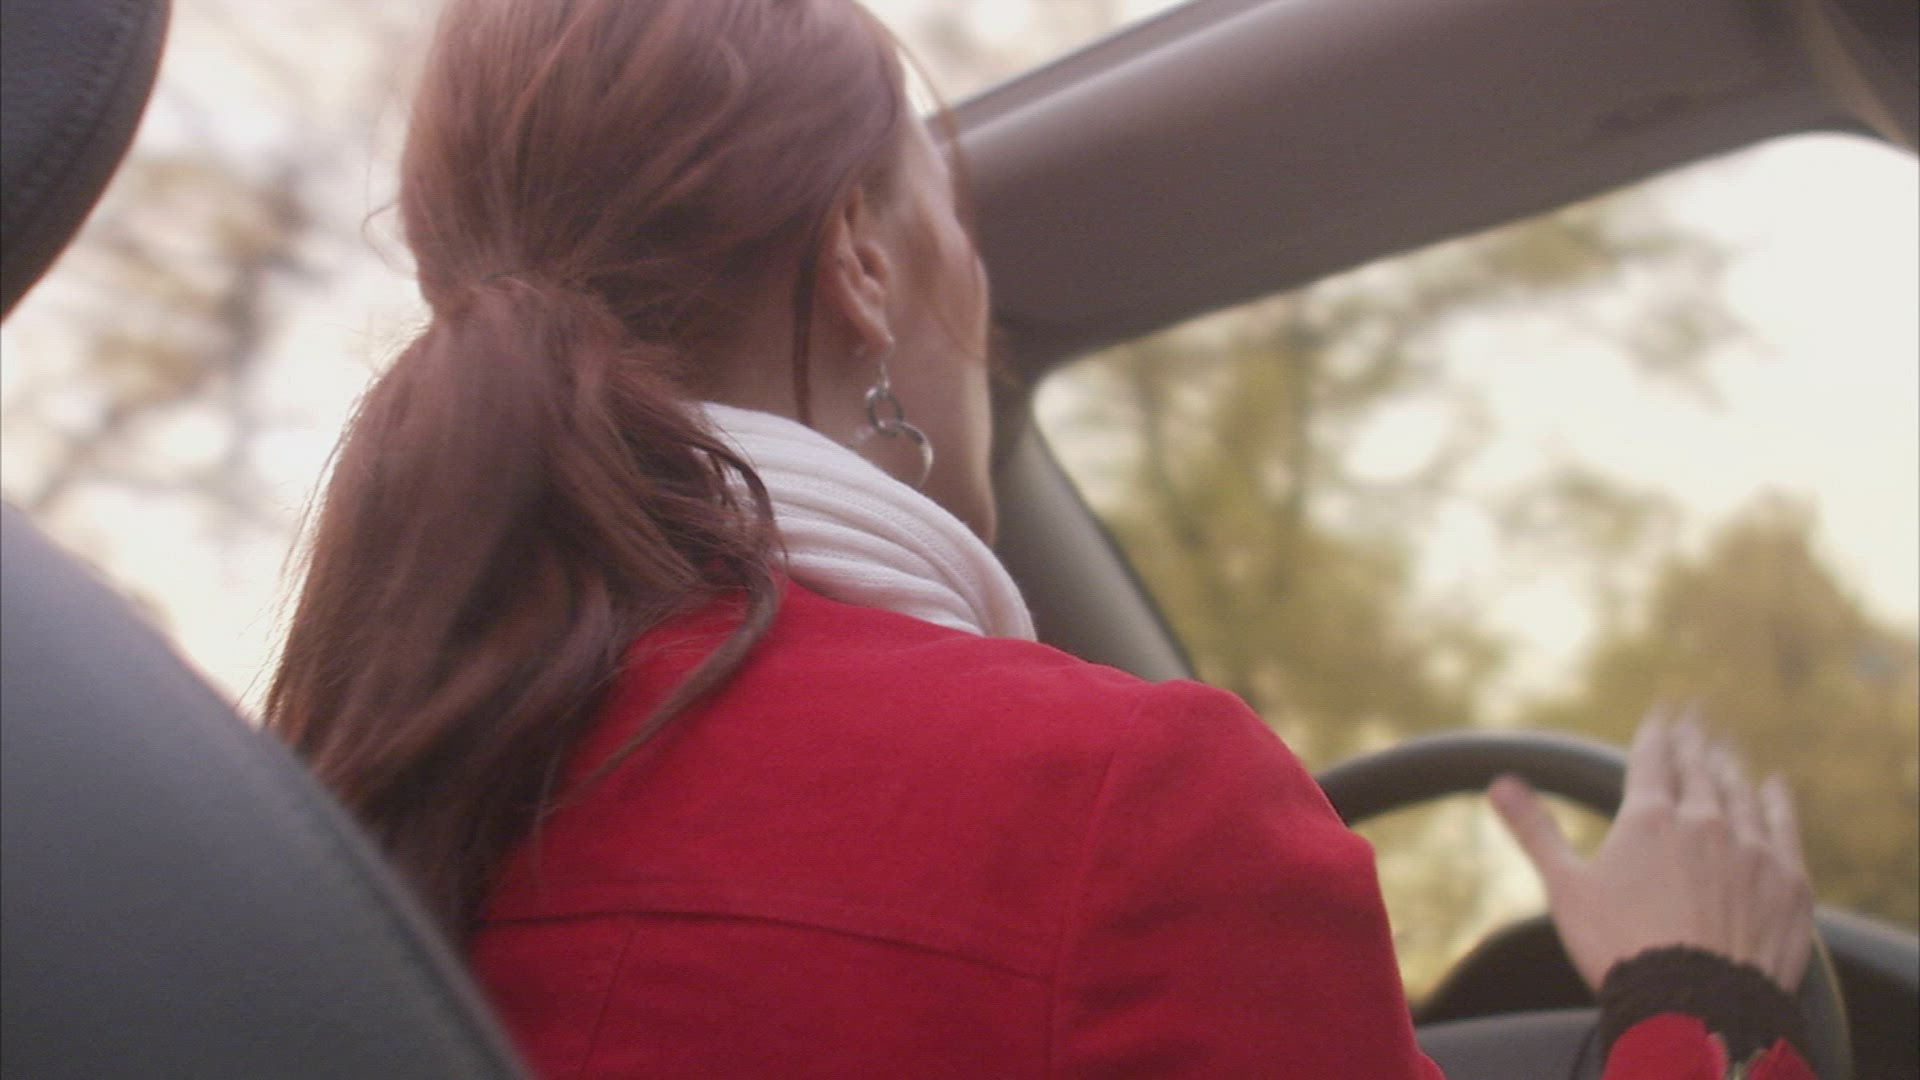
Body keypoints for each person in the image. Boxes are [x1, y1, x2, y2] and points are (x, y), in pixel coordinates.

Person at [264, 1, 1821, 1076]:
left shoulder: (323, 809)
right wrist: (1701, 1003)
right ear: (861, 260)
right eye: (955, 224)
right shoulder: (1118, 810)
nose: (982, 310)